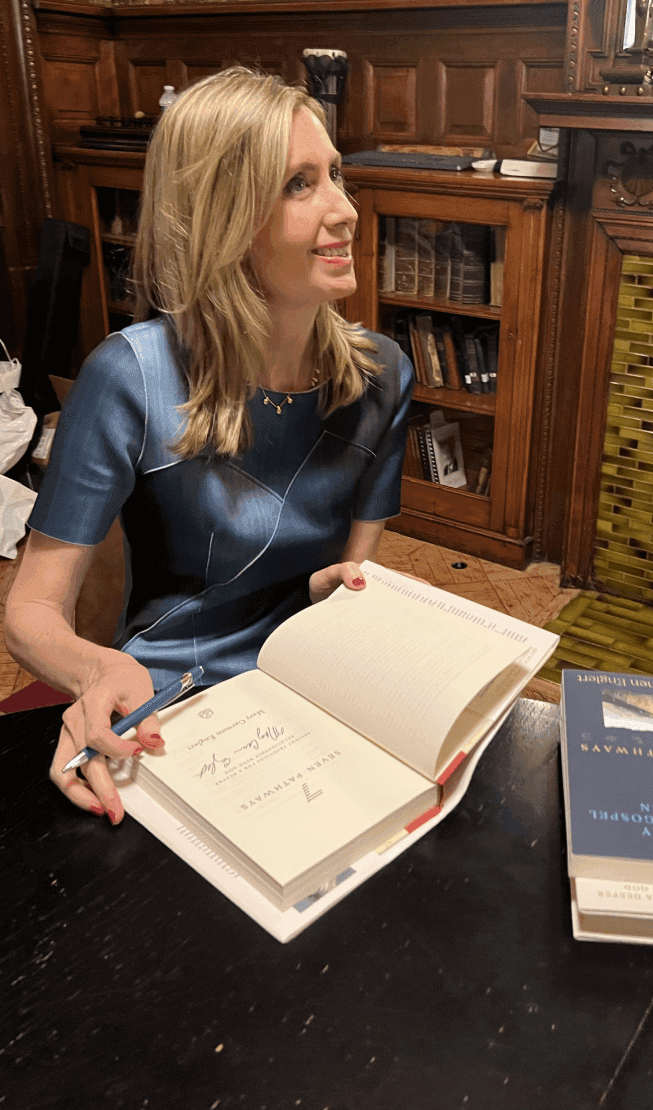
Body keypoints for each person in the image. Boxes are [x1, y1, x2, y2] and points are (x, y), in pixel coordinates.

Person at [5, 66, 414, 824]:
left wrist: (339, 593)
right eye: (300, 184)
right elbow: (29, 610)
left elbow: (350, 575)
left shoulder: (383, 373)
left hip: (309, 690)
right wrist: (97, 670)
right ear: (223, 218)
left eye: (336, 175)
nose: (346, 210)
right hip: (171, 708)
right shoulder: (132, 375)